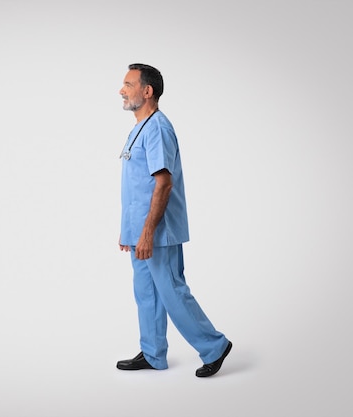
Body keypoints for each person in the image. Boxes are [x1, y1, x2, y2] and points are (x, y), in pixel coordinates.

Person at [115, 63, 232, 377]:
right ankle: (153, 353)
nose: (121, 90)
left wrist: (149, 232)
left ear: (147, 91)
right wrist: (130, 230)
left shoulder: (158, 128)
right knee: (146, 292)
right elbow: (137, 184)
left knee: (171, 291)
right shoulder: (139, 128)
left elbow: (163, 182)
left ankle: (215, 346)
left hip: (158, 231)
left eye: (128, 84)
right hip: (139, 230)